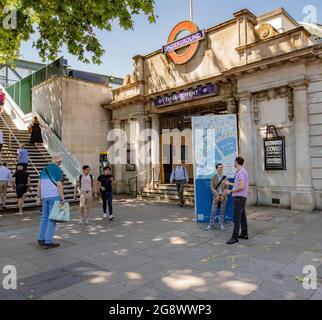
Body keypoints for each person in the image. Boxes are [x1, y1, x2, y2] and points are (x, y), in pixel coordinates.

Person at [36, 153, 65, 249]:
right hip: (53, 196)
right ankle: (48, 240)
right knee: (52, 218)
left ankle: (41, 238)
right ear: (59, 162)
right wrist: (62, 197)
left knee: (44, 217)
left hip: (44, 196)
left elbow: (39, 184)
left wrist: (38, 196)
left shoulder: (44, 169)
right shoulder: (58, 170)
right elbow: (59, 185)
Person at [224, 156, 249, 245]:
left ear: (236, 162)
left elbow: (241, 186)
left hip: (239, 197)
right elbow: (238, 184)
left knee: (237, 217)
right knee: (242, 216)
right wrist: (229, 183)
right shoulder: (242, 171)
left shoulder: (241, 172)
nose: (233, 163)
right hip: (242, 197)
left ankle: (235, 237)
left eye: (234, 162)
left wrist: (230, 191)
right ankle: (244, 233)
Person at [207, 163, 228, 231]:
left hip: (223, 197)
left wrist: (223, 196)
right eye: (219, 167)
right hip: (216, 197)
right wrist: (217, 195)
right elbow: (211, 187)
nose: (220, 168)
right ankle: (210, 224)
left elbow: (227, 188)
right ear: (216, 169)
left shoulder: (225, 177)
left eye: (221, 167)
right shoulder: (213, 177)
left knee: (222, 211)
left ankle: (221, 224)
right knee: (213, 211)